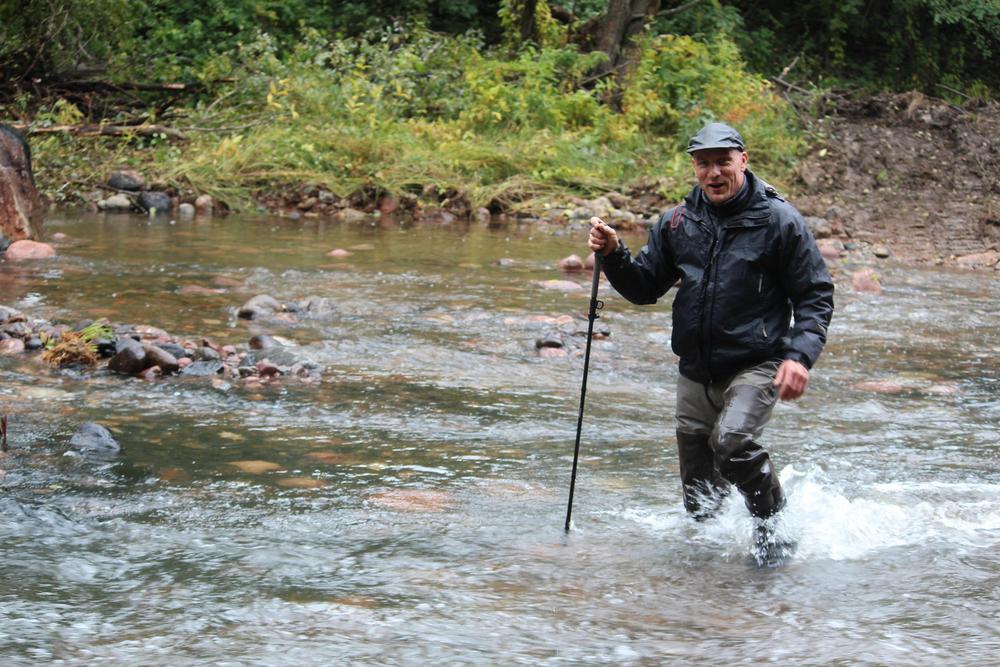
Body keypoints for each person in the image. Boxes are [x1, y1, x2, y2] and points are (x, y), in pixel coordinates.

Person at [588, 122, 834, 564]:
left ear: (744, 160)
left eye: (723, 162)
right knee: (701, 504)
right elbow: (644, 288)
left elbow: (815, 295)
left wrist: (800, 357)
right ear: (694, 167)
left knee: (733, 443)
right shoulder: (678, 221)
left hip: (758, 362)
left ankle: (774, 531)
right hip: (696, 369)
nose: (714, 172)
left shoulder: (780, 221)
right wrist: (613, 254)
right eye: (704, 164)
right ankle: (706, 584)